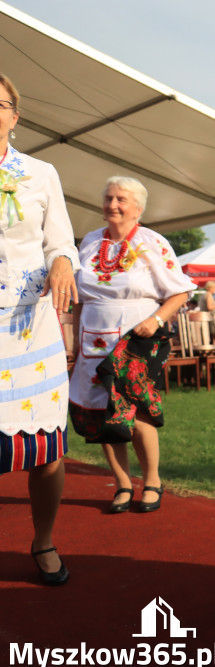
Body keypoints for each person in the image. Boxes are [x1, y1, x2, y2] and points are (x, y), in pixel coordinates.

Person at [69, 177, 193, 515]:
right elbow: (79, 296)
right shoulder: (90, 242)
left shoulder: (153, 242)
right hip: (92, 338)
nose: (113, 204)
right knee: (100, 413)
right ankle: (122, 482)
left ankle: (152, 480)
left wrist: (156, 320)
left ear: (138, 207)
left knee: (135, 410)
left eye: (121, 199)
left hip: (136, 339)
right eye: (108, 197)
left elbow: (180, 291)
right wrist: (74, 338)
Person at [0, 74, 80, 586]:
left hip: (31, 327)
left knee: (45, 450)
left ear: (14, 114)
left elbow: (62, 242)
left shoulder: (40, 172)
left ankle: (44, 539)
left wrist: (64, 265)